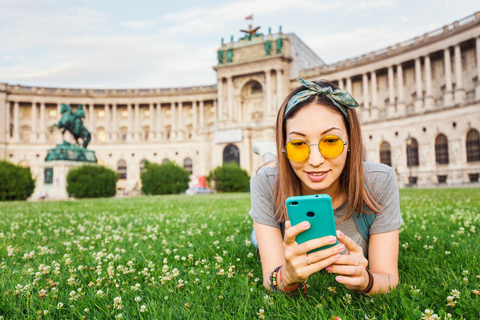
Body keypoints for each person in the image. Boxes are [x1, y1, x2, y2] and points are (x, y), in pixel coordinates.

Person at [249, 78, 403, 296]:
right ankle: (271, 159)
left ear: (351, 140)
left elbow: (387, 278)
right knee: (257, 238)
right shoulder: (264, 182)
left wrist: (366, 280)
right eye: (298, 144)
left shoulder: (381, 179)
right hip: (275, 186)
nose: (315, 160)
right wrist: (287, 277)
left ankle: (275, 156)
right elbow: (271, 279)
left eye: (330, 141)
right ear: (284, 145)